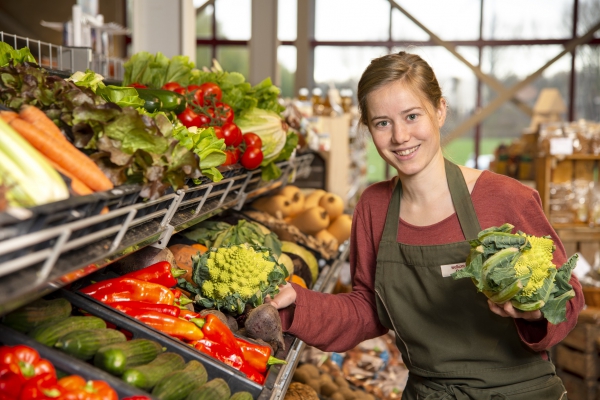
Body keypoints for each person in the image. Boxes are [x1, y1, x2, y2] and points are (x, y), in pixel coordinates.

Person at [268, 51, 584, 400]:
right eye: (382, 123)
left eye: (412, 116)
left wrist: (536, 310)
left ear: (440, 110)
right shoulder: (374, 206)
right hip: (427, 392)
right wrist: (298, 305)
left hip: (518, 392)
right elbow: (366, 309)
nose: (400, 136)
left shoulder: (504, 197)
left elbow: (567, 296)